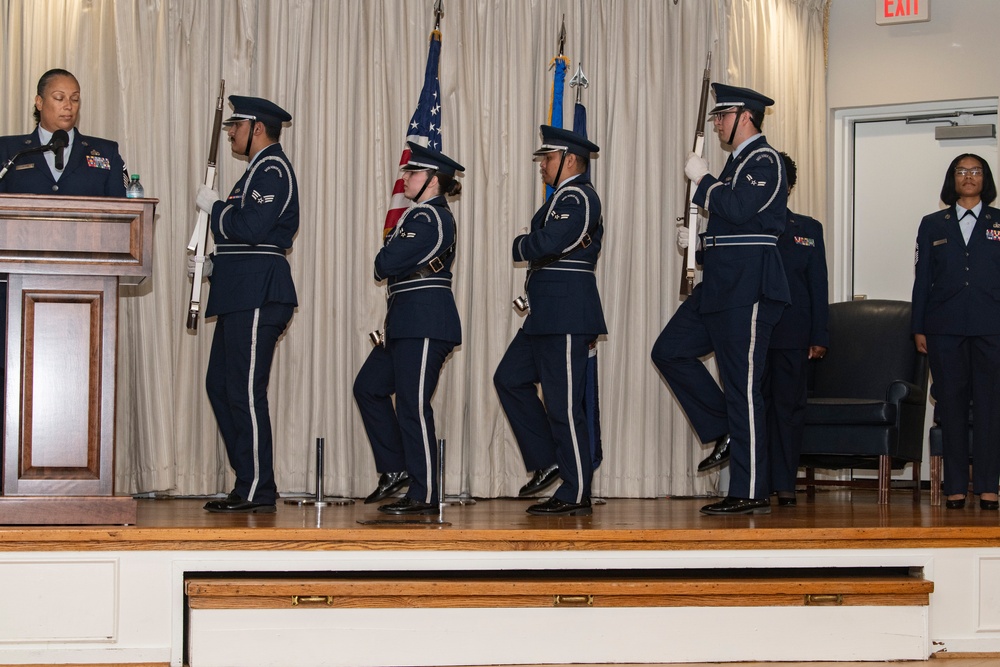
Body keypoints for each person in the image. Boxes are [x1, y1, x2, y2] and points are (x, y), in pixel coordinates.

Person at [651, 83, 789, 516]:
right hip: (721, 286)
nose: (715, 123)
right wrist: (699, 243)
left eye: (721, 116)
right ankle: (725, 428)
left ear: (744, 116)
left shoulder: (765, 160)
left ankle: (749, 490)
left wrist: (704, 181)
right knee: (669, 351)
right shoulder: (736, 164)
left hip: (749, 289)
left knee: (744, 389)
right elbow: (734, 232)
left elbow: (740, 209)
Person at [494, 125, 604, 517]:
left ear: (569, 159)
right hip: (546, 315)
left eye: (549, 158)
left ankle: (576, 492)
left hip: (567, 314)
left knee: (563, 405)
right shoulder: (562, 196)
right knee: (508, 378)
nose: (543, 165)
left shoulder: (579, 196)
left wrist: (522, 243)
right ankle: (550, 460)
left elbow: (548, 242)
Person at [196, 96, 298, 514]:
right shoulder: (252, 174)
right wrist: (212, 264)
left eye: (235, 126)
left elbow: (253, 228)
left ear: (256, 128)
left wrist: (215, 208)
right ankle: (247, 480)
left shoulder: (271, 170)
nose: (231, 133)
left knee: (245, 391)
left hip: (259, 293)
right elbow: (245, 238)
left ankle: (258, 488)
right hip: (242, 291)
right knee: (220, 386)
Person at [354, 143, 464, 515]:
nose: (404, 178)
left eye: (412, 173)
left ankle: (425, 492)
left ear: (433, 181)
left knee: (413, 407)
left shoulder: (429, 218)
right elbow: (386, 265)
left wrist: (389, 257)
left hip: (425, 322)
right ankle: (398, 469)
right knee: (369, 387)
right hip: (406, 321)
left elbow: (385, 262)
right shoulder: (419, 217)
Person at [912, 153, 1000, 511]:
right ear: (952, 179)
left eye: (975, 171)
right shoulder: (933, 223)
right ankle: (956, 487)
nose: (969, 177)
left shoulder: (998, 222)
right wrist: (919, 327)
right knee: (950, 406)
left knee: (991, 408)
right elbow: (922, 280)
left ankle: (988, 485)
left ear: (985, 179)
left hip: (992, 328)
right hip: (944, 329)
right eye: (962, 171)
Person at [765, 152, 829, 506]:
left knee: (789, 410)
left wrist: (820, 334)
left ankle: (784, 483)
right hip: (753, 334)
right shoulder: (746, 224)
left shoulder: (808, 228)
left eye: (782, 182)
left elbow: (818, 286)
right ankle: (755, 483)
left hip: (794, 334)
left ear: (789, 187)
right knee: (756, 409)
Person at [0, 68, 128, 197]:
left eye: (75, 99)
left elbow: (125, 209)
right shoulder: (8, 150)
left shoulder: (106, 152)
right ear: (39, 102)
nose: (68, 106)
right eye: (59, 98)